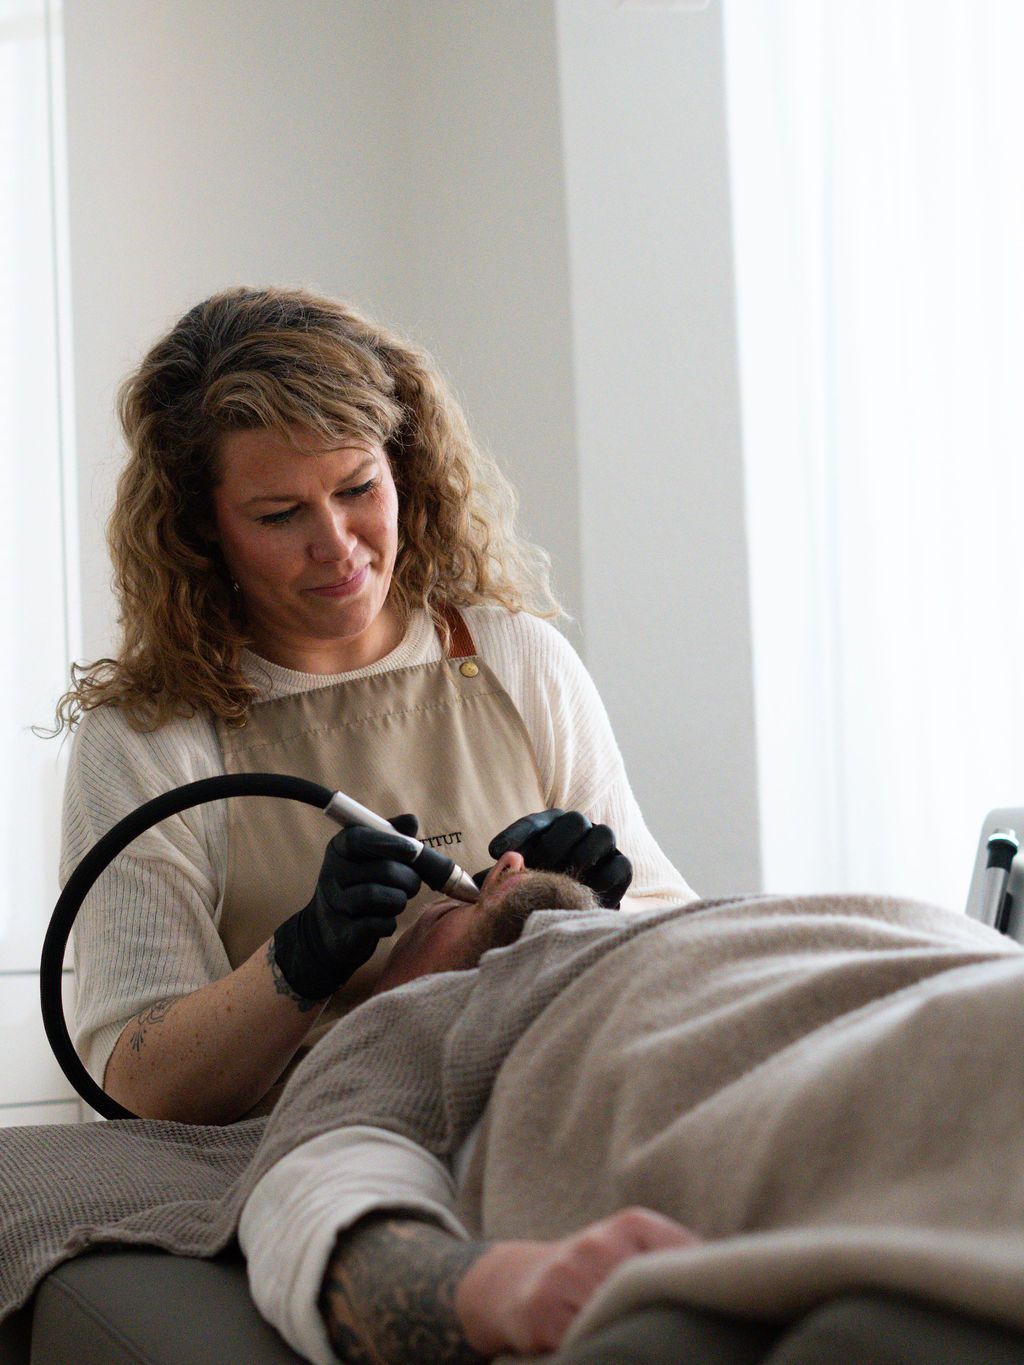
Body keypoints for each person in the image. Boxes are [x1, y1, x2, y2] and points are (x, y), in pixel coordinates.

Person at [55, 285, 697, 1125]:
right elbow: (132, 1080)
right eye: (280, 514)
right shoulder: (150, 740)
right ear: (200, 528)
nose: (338, 546)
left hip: (545, 1107)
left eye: (359, 487)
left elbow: (677, 936)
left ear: (405, 467)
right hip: (308, 1151)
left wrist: (593, 909)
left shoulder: (511, 656)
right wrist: (299, 959)